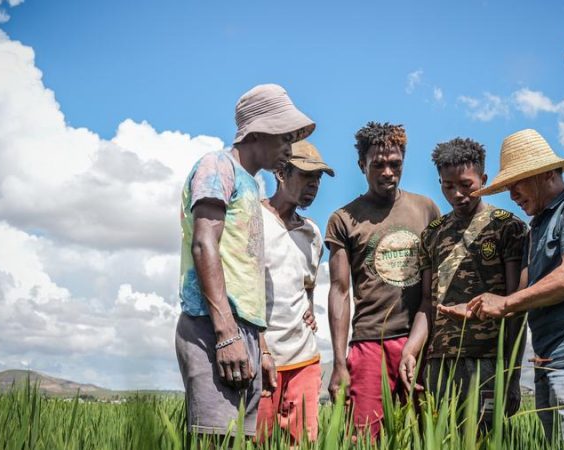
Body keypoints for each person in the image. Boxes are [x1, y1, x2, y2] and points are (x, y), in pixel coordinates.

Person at [439, 129, 564, 446]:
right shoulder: (538, 228)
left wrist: (504, 303)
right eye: (508, 187)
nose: (512, 195)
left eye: (517, 183)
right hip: (551, 360)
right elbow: (519, 296)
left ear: (546, 174)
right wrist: (477, 307)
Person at [175, 84, 314, 437]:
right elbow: (204, 244)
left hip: (244, 332)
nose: (289, 148)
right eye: (284, 137)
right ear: (258, 131)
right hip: (213, 326)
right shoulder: (217, 166)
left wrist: (260, 347)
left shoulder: (252, 185)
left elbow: (247, 277)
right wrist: (226, 335)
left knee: (240, 440)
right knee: (215, 439)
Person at [398, 137, 526, 427]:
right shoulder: (432, 234)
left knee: (484, 437)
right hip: (439, 362)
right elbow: (427, 303)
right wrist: (411, 349)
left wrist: (512, 373)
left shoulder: (507, 227)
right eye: (448, 186)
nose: (457, 194)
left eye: (466, 185)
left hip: (488, 361)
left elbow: (516, 308)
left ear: (483, 179)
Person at [326, 122, 440, 439]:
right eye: (378, 164)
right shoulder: (343, 219)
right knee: (365, 438)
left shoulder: (426, 210)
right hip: (368, 344)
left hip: (419, 342)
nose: (388, 172)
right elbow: (339, 291)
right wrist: (339, 362)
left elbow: (434, 291)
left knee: (425, 437)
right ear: (361, 165)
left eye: (395, 164)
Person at [255, 140, 334, 443]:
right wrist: (261, 349)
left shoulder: (312, 233)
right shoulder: (254, 219)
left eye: (318, 179)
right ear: (280, 172)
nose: (314, 185)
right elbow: (237, 290)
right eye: (306, 175)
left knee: (303, 442)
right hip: (261, 357)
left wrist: (310, 308)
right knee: (256, 440)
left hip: (304, 357)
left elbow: (307, 285)